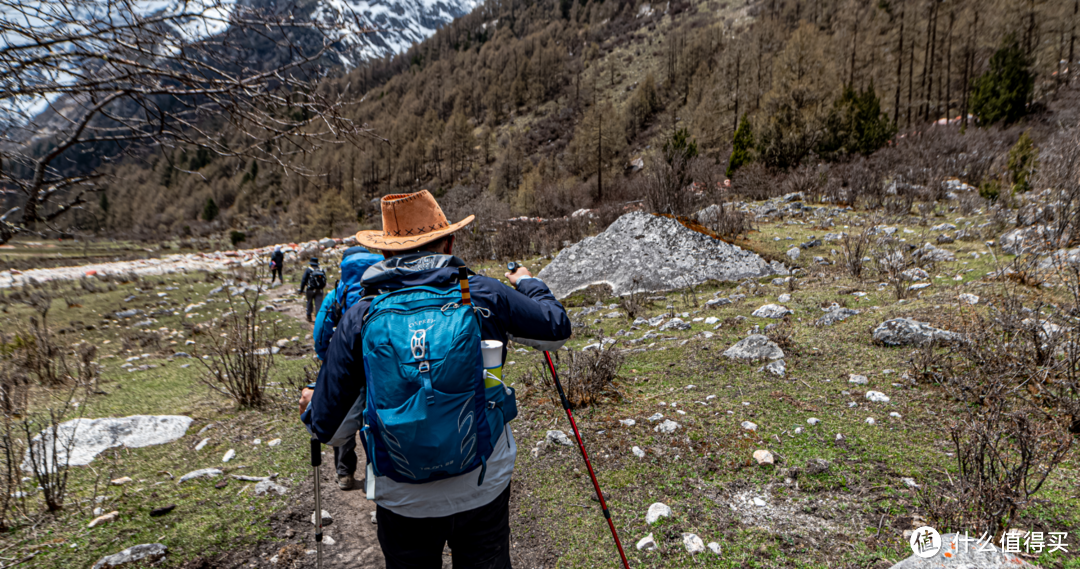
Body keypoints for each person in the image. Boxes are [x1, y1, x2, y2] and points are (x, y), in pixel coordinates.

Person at [300, 190, 570, 569]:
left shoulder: (361, 315)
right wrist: (528, 283)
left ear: (386, 253)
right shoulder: (482, 293)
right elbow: (555, 329)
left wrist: (314, 403)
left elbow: (330, 429)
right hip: (482, 483)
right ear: (449, 242)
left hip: (402, 497)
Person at [311, 245, 383, 490]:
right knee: (377, 420)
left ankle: (345, 473)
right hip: (377, 363)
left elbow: (320, 333)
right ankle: (378, 481)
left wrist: (328, 358)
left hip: (345, 364)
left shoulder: (337, 294)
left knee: (344, 415)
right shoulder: (384, 291)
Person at [299, 257, 327, 323]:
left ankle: (309, 316)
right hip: (320, 290)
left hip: (310, 290)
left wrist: (301, 290)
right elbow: (325, 280)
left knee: (309, 302)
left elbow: (303, 280)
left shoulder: (308, 270)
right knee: (318, 304)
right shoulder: (321, 270)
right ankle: (318, 319)